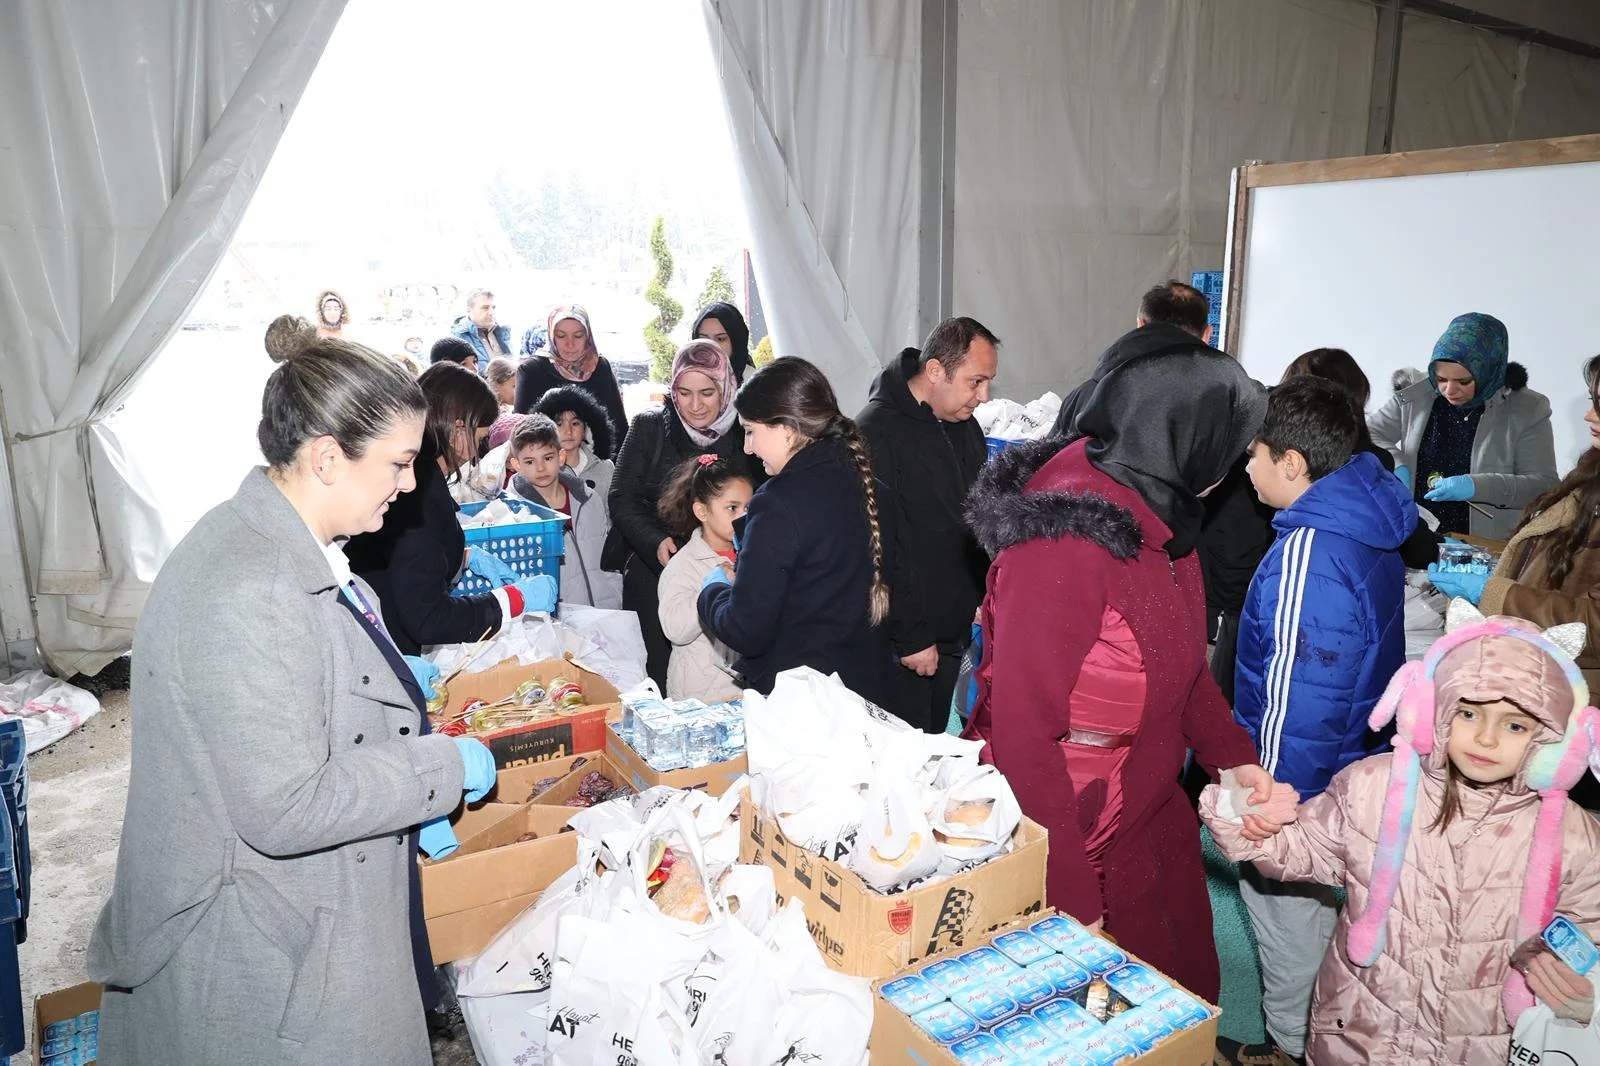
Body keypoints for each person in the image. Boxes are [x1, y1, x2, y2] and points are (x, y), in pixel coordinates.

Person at [87, 336, 499, 1064]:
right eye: (398, 464)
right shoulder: (249, 587)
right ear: (328, 458)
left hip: (298, 908)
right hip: (267, 940)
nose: (408, 485)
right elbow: (284, 805)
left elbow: (297, 675)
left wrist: (384, 683)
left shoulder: (276, 542)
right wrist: (437, 769)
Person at [963, 348, 1284, 1002]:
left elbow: (1182, 668)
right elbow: (1025, 740)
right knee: (1099, 1020)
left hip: (1149, 810)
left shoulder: (1164, 520)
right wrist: (1075, 903)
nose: (1233, 477)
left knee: (1177, 993)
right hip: (1074, 831)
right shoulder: (1065, 544)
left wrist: (1232, 759)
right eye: (1225, 455)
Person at [1201, 608, 1600, 1066]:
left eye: (1514, 724)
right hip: (1359, 1032)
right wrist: (1249, 821)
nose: (1487, 739)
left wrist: (1570, 979)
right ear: (1430, 712)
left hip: (1483, 1044)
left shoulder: (1575, 839)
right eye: (1468, 712)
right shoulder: (1372, 787)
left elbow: (1588, 933)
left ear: (1555, 742)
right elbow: (1305, 850)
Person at [1231, 375, 1417, 1065]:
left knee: (1285, 923)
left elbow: (1294, 692)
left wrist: (1269, 798)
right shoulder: (1364, 521)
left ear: (1292, 462)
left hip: (1298, 785)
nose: (1245, 468)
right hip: (1346, 768)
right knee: (1324, 921)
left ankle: (1291, 1047)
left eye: (1253, 453)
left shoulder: (1311, 550)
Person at [697, 357, 895, 704]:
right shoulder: (869, 485)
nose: (748, 447)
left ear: (787, 427)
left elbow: (746, 630)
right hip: (863, 693)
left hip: (803, 705)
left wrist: (713, 587)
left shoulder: (778, 505)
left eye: (750, 431)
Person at [344, 362, 556, 655]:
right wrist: (512, 600)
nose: (477, 451)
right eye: (480, 439)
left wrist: (461, 557)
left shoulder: (418, 477)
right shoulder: (417, 490)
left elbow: (404, 561)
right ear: (458, 428)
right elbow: (429, 618)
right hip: (386, 644)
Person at [857, 316, 1000, 732]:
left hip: (954, 627)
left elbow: (975, 517)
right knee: (903, 761)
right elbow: (877, 547)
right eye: (976, 381)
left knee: (937, 746)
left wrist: (982, 592)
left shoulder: (965, 426)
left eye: (988, 381)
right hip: (905, 642)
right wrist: (911, 635)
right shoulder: (876, 431)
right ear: (936, 371)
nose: (985, 395)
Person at [610, 340, 763, 688]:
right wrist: (655, 540)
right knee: (665, 664)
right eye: (684, 392)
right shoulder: (650, 427)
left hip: (733, 559)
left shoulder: (748, 433)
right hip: (660, 566)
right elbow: (621, 496)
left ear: (726, 387)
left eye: (707, 393)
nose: (695, 405)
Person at [1369, 312, 1558, 541]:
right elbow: (1369, 433)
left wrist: (1476, 486)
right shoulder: (1416, 394)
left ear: (1487, 370)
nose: (1449, 390)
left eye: (1463, 381)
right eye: (1441, 379)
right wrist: (1395, 463)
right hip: (1416, 536)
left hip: (1483, 547)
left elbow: (1544, 485)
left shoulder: (1527, 409)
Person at [1051, 279, 1213, 438]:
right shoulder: (1218, 405)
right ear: (1207, 334)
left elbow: (1047, 460)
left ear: (1140, 324)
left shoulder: (1084, 396)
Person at [656, 455, 753, 701]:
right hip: (700, 701)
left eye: (748, 508)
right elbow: (675, 630)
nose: (742, 516)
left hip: (744, 692)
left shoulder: (754, 554)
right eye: (732, 508)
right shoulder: (684, 565)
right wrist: (714, 585)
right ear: (701, 511)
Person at [506, 414, 622, 609]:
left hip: (606, 611)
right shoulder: (515, 514)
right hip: (557, 620)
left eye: (548, 457)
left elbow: (606, 554)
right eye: (529, 461)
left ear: (560, 457)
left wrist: (615, 593)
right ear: (516, 465)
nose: (541, 467)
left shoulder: (589, 499)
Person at [513, 305, 629, 453]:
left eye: (578, 335)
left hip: (599, 463)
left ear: (588, 337)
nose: (570, 344)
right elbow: (522, 432)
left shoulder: (600, 367)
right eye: (561, 336)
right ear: (552, 336)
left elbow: (619, 425)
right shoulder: (532, 370)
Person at [531, 384, 618, 502]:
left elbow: (612, 514)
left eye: (575, 423)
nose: (568, 431)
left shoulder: (605, 467)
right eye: (559, 424)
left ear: (586, 429)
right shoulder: (540, 469)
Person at [691, 301, 753, 383]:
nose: (711, 347)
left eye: (720, 339)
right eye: (704, 339)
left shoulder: (756, 385)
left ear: (736, 342)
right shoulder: (686, 379)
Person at [452, 288, 511, 369]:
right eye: (485, 308)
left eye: (493, 307)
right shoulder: (458, 338)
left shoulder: (503, 331)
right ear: (468, 310)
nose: (491, 312)